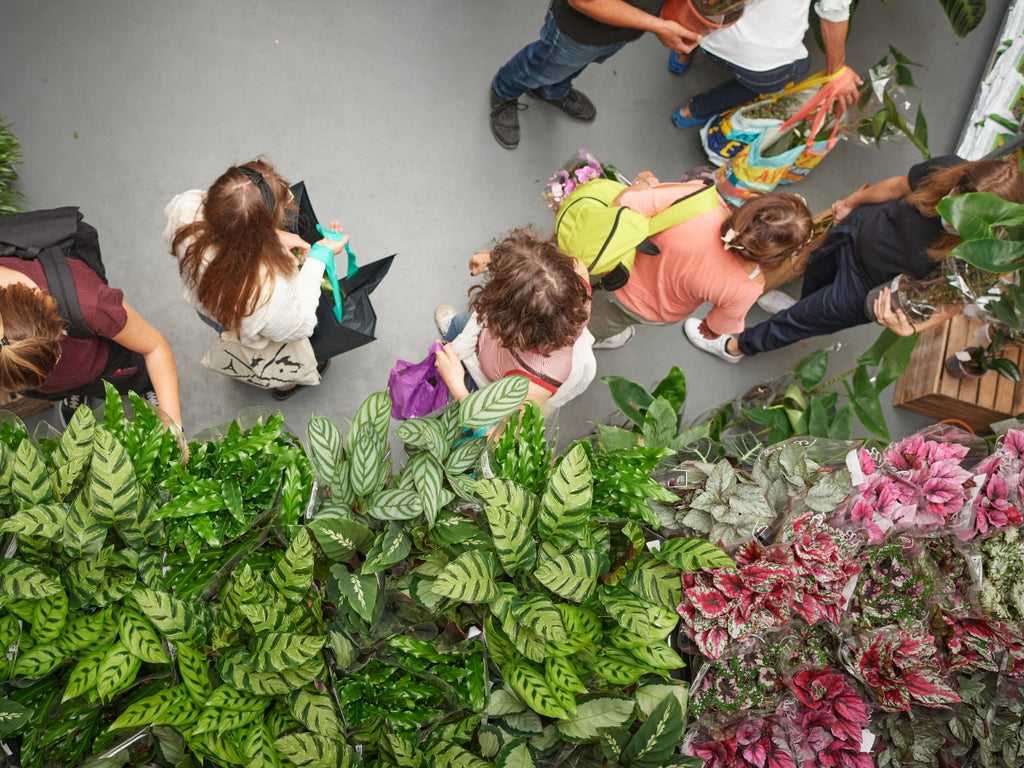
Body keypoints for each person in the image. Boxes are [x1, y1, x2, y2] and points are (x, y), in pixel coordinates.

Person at [684, 155, 1024, 362]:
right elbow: (895, 188)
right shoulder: (947, 168)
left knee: (802, 320)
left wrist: (911, 327)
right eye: (955, 193)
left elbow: (951, 302)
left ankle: (737, 347)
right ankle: (796, 304)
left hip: (865, 286)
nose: (950, 204)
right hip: (855, 232)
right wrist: (852, 203)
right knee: (812, 278)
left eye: (963, 211)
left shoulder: (983, 256)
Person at [163, 158, 350, 400]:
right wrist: (318, 257)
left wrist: (273, 236)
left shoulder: (186, 207)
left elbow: (227, 225)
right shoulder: (267, 288)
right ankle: (285, 383)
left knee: (227, 330)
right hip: (258, 319)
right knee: (277, 351)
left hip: (209, 306)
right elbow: (300, 325)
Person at [586, 171, 813, 350]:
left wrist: (645, 184)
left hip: (612, 262)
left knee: (583, 280)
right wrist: (709, 329)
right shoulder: (748, 286)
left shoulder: (700, 199)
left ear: (754, 202)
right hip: (645, 308)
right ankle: (585, 339)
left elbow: (626, 204)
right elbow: (716, 326)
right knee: (607, 323)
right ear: (776, 255)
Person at [489, 0, 700, 149]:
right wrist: (659, 27)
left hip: (622, 29)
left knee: (570, 66)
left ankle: (551, 91)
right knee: (541, 66)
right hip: (579, 30)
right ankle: (503, 92)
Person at [0, 259, 182, 428]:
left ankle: (147, 389)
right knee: (63, 386)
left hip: (103, 362)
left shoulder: (89, 303)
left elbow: (155, 347)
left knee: (132, 379)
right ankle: (74, 392)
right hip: (56, 384)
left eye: (55, 350)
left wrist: (173, 425)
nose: (59, 359)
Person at [433, 228, 595, 414]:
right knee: (461, 321)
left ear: (509, 326)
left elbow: (498, 439)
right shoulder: (576, 279)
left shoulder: (532, 388)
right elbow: (541, 269)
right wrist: (495, 259)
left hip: (492, 384)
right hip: (489, 348)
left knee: (462, 336)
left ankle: (454, 369)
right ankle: (453, 348)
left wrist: (458, 388)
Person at [669, 0, 861, 129]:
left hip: (699, 26)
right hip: (759, 63)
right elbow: (833, 11)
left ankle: (681, 52)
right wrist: (837, 71)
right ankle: (693, 111)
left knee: (690, 18)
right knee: (798, 66)